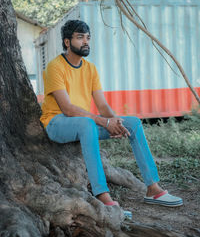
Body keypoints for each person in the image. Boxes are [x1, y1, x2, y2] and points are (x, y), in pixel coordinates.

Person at [40, 20, 183, 208]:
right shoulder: (55, 67)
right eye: (80, 37)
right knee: (87, 123)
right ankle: (103, 195)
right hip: (57, 124)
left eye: (88, 38)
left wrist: (115, 121)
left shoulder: (90, 69)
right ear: (67, 42)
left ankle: (153, 188)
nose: (86, 42)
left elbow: (102, 105)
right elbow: (67, 108)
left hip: (85, 124)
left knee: (133, 123)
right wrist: (104, 122)